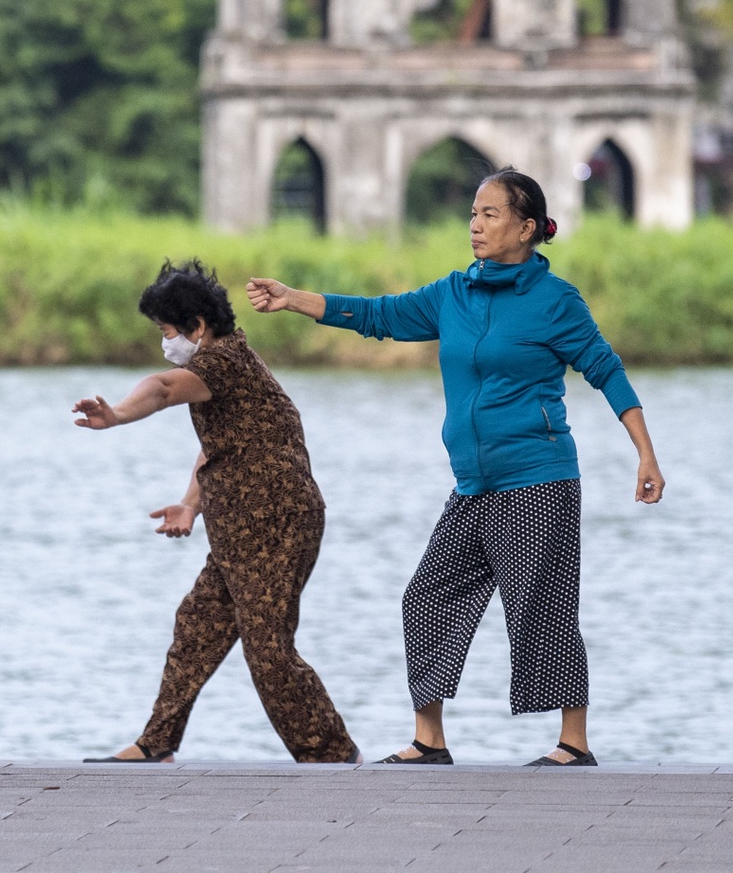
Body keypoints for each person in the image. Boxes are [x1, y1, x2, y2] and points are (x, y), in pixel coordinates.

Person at [247, 169, 664, 767]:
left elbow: (607, 369)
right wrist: (293, 299)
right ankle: (429, 739)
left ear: (526, 229)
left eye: (491, 214)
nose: (476, 223)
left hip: (539, 478)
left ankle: (574, 743)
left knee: (543, 606)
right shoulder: (453, 294)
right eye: (473, 212)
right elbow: (378, 315)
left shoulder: (555, 301)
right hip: (473, 486)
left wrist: (644, 453)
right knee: (427, 597)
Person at [73, 261, 358, 765]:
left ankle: (333, 756)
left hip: (275, 524)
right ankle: (156, 743)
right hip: (240, 531)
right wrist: (189, 503)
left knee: (268, 650)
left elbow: (161, 388)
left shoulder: (223, 362)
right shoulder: (226, 370)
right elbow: (220, 447)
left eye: (167, 332)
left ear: (198, 327)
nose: (165, 343)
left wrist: (116, 414)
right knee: (198, 625)